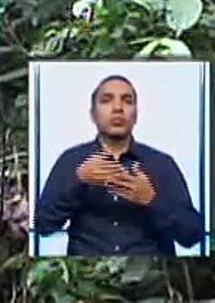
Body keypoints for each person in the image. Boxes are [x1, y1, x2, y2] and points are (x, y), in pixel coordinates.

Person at [35, 74, 205, 256]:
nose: (117, 108)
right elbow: (43, 225)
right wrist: (78, 182)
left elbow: (192, 235)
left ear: (136, 115)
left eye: (127, 101)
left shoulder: (161, 164)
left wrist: (152, 201)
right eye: (107, 100)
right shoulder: (72, 161)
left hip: (149, 273)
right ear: (93, 114)